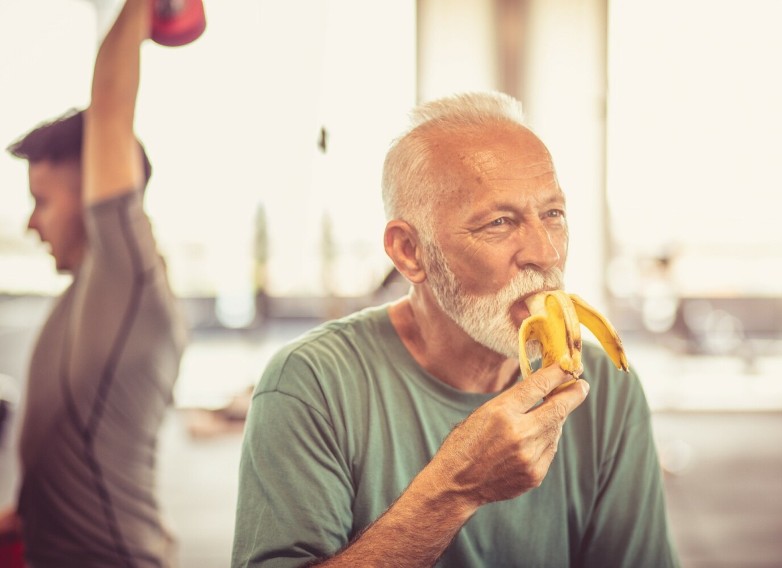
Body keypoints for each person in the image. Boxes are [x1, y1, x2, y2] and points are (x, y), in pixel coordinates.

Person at [231, 91, 680, 567]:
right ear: (409, 252)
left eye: (553, 214)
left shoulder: (604, 387)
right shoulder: (310, 383)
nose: (546, 254)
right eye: (500, 223)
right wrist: (455, 490)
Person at [0, 0, 189, 565]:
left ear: (91, 195)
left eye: (41, 202)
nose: (31, 223)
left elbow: (109, 109)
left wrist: (139, 9)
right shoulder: (80, 298)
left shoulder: (127, 282)